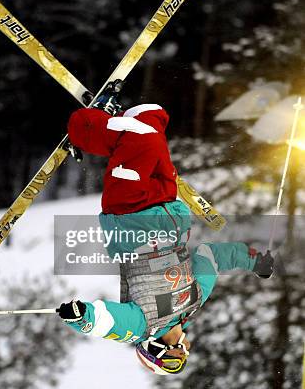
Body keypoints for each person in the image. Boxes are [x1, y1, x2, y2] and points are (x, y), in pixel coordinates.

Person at [58, 82, 274, 375]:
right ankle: (112, 121)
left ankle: (85, 128)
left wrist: (82, 317)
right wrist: (254, 261)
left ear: (155, 353)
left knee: (143, 139)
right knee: (154, 117)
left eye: (174, 361)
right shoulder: (195, 299)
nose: (182, 352)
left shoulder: (143, 325)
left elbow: (109, 322)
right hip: (167, 208)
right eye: (181, 360)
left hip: (129, 215)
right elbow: (213, 256)